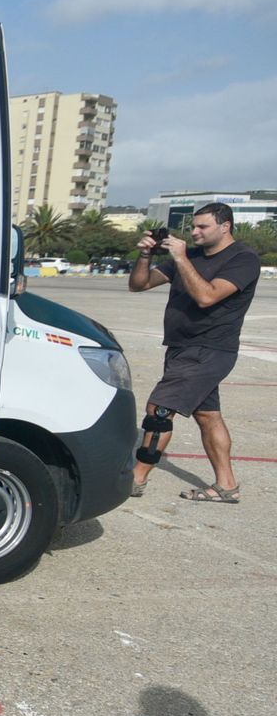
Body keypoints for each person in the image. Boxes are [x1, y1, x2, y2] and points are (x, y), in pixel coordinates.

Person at [128, 203, 260, 502]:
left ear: (225, 226)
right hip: (181, 347)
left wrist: (180, 257)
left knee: (159, 411)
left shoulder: (243, 258)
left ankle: (137, 478)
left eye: (203, 227)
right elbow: (139, 285)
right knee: (208, 416)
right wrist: (146, 254)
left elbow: (206, 296)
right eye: (193, 227)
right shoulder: (190, 257)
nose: (195, 232)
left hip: (209, 348)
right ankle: (226, 485)